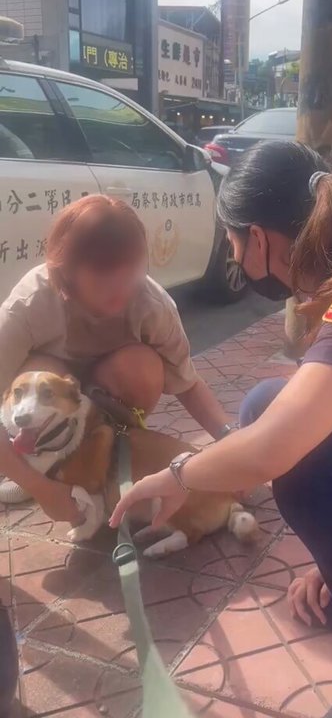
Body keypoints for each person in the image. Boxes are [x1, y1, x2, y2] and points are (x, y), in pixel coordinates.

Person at [111, 140, 332, 718]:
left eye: (232, 240)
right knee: (269, 403)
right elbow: (314, 419)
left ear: (261, 237)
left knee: (300, 465)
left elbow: (275, 450)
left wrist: (181, 475)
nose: (234, 254)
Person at [0, 195, 232, 712]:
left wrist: (235, 445)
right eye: (103, 276)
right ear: (66, 271)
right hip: (46, 402)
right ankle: (34, 469)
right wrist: (41, 489)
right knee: (26, 378)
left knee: (143, 368)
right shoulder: (28, 304)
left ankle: (105, 465)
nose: (119, 289)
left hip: (105, 400)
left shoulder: (150, 305)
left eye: (129, 273)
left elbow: (188, 385)